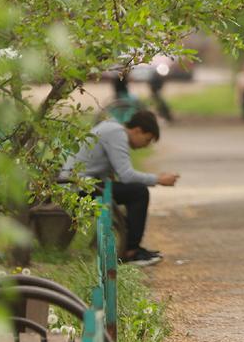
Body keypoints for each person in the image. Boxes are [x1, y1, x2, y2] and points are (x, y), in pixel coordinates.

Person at [60, 110, 180, 266]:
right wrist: (158, 179)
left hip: (79, 185)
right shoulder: (117, 133)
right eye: (147, 139)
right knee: (138, 192)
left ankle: (130, 247)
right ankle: (131, 251)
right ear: (137, 130)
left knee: (131, 191)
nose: (146, 145)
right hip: (77, 188)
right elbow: (127, 175)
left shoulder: (112, 128)